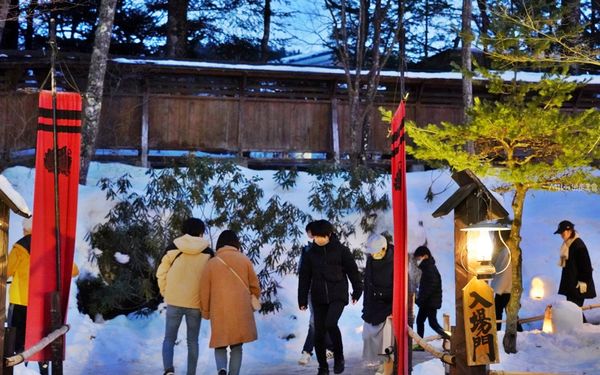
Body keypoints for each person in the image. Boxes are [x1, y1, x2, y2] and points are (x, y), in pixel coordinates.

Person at [7, 217, 79, 375]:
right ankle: (44, 366)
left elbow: (6, 271)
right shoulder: (53, 246)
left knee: (14, 340)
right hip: (44, 302)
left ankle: (14, 366)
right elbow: (74, 271)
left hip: (20, 301)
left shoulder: (20, 247)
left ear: (26, 229)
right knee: (42, 337)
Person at [298, 220, 363, 375]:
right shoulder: (310, 254)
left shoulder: (341, 250)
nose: (318, 239)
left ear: (329, 235)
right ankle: (323, 366)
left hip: (337, 295)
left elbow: (353, 272)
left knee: (330, 323)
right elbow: (304, 277)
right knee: (319, 332)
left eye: (321, 236)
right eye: (316, 237)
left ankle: (339, 357)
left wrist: (357, 290)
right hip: (318, 297)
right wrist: (301, 299)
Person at [156, 218, 213, 375]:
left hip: (174, 301)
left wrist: (165, 292)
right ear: (201, 232)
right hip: (195, 304)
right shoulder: (208, 252)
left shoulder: (172, 248)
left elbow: (161, 273)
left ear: (183, 231)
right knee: (192, 341)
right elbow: (211, 279)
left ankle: (168, 371)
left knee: (169, 339)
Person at [200, 230, 260, 375]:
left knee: (219, 344)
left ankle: (221, 369)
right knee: (237, 346)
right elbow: (255, 286)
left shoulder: (211, 263)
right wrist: (254, 299)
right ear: (236, 243)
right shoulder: (245, 260)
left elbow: (204, 290)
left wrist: (206, 312)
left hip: (219, 310)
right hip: (240, 310)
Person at [298, 221, 334, 366]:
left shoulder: (331, 248)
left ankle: (327, 348)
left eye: (311, 232)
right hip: (313, 292)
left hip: (328, 291)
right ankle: (308, 352)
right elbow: (303, 274)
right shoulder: (307, 250)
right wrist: (302, 298)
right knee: (315, 321)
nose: (310, 235)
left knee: (320, 321)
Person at [361, 234, 393, 375]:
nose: (375, 255)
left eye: (377, 252)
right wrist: (365, 304)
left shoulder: (395, 260)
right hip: (373, 302)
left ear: (384, 249)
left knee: (384, 337)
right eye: (372, 253)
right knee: (367, 333)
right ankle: (373, 359)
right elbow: (367, 283)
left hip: (389, 304)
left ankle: (384, 364)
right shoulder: (370, 261)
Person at [555, 220, 596, 322]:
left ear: (570, 231)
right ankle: (582, 329)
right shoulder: (569, 245)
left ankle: (582, 330)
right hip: (572, 285)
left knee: (574, 311)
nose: (561, 235)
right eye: (560, 233)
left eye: (562, 232)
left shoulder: (578, 245)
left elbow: (586, 266)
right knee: (574, 311)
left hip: (578, 285)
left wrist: (583, 281)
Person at [413, 246, 450, 341]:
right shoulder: (428, 268)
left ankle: (451, 338)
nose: (418, 261)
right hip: (428, 302)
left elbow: (429, 288)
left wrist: (420, 300)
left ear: (425, 256)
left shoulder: (429, 269)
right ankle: (420, 343)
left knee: (432, 323)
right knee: (420, 321)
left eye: (419, 258)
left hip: (430, 302)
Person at [491, 241, 523, 332]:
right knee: (508, 313)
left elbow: (504, 272)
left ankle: (498, 332)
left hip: (505, 288)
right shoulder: (506, 251)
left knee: (504, 313)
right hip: (505, 287)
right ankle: (516, 332)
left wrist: (498, 288)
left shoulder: (506, 252)